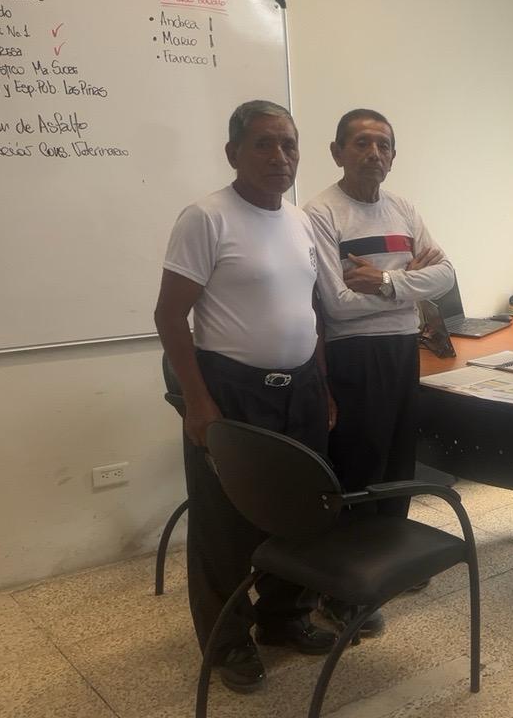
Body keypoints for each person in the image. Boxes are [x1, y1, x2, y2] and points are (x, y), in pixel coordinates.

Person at [154, 100, 338, 694]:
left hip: (300, 389)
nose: (279, 156)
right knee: (225, 522)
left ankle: (283, 617)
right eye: (264, 143)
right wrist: (198, 402)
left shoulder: (300, 222)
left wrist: (322, 385)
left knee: (299, 509)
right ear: (233, 152)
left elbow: (309, 311)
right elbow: (169, 316)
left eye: (289, 144)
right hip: (230, 390)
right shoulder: (207, 218)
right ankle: (226, 641)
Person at [304, 108, 452, 629]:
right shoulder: (321, 212)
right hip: (353, 355)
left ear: (393, 156)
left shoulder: (403, 208)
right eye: (361, 143)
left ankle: (390, 564)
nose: (374, 153)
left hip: (402, 349)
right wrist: (410, 282)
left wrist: (388, 282)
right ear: (337, 152)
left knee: (398, 462)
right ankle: (344, 591)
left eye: (383, 145)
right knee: (360, 468)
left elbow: (446, 275)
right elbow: (337, 304)